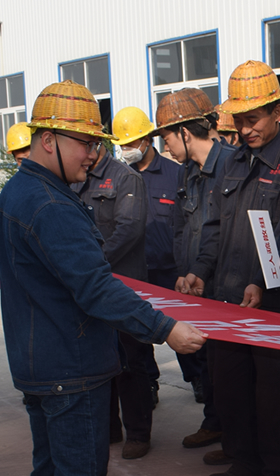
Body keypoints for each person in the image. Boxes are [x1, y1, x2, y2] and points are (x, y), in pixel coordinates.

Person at [0, 79, 205, 475]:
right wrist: (166, 328)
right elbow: (95, 287)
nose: (93, 154)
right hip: (70, 369)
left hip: (40, 367)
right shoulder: (51, 205)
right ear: (48, 140)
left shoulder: (17, 192)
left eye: (96, 144)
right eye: (85, 143)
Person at [180, 60, 280, 476]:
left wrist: (261, 281)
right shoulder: (232, 162)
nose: (245, 129)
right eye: (239, 121)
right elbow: (214, 226)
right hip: (228, 301)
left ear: (278, 111)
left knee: (276, 400)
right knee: (232, 394)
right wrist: (201, 270)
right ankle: (244, 463)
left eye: (253, 119)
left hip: (276, 305)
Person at [156, 88, 236, 456]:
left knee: (229, 370)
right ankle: (216, 423)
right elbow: (181, 227)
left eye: (167, 138)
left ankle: (235, 439)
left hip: (224, 288)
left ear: (185, 133)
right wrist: (182, 272)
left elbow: (227, 234)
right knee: (206, 364)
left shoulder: (232, 167)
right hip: (194, 285)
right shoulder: (188, 173)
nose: (166, 147)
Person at [71, 138, 156, 459]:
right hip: (92, 289)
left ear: (96, 146)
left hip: (124, 288)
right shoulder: (76, 177)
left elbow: (129, 229)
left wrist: (92, 263)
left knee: (131, 362)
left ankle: (139, 433)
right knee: (99, 360)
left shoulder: (125, 178)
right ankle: (109, 429)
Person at [112, 106, 181, 408]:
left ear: (147, 140)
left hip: (169, 270)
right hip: (134, 273)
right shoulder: (119, 177)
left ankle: (198, 379)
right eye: (122, 145)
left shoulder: (175, 174)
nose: (126, 150)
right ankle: (149, 382)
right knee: (138, 334)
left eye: (130, 143)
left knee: (180, 328)